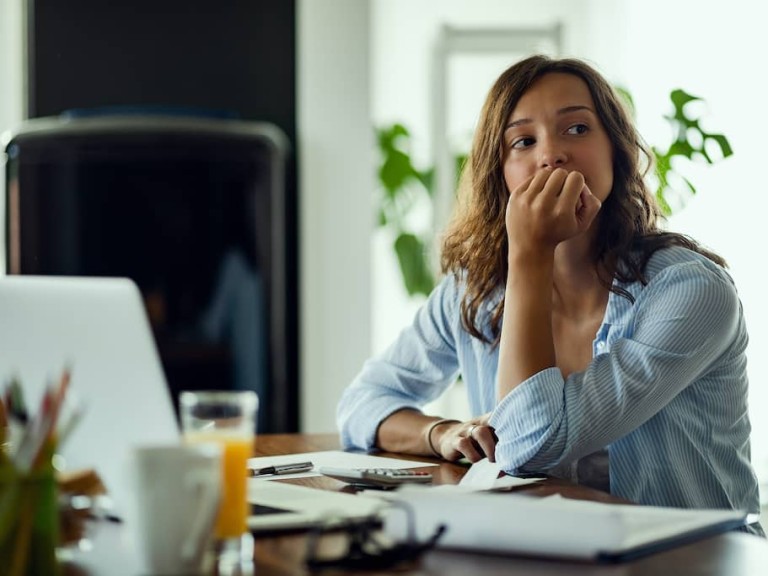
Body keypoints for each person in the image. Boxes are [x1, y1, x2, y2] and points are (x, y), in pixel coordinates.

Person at [337, 54, 763, 534]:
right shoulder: (474, 289)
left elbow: (529, 445)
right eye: (524, 141)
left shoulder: (691, 292)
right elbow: (362, 404)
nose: (551, 154)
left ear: (616, 152)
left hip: (694, 559)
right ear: (499, 172)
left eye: (577, 129)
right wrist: (439, 433)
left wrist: (529, 255)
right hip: (553, 549)